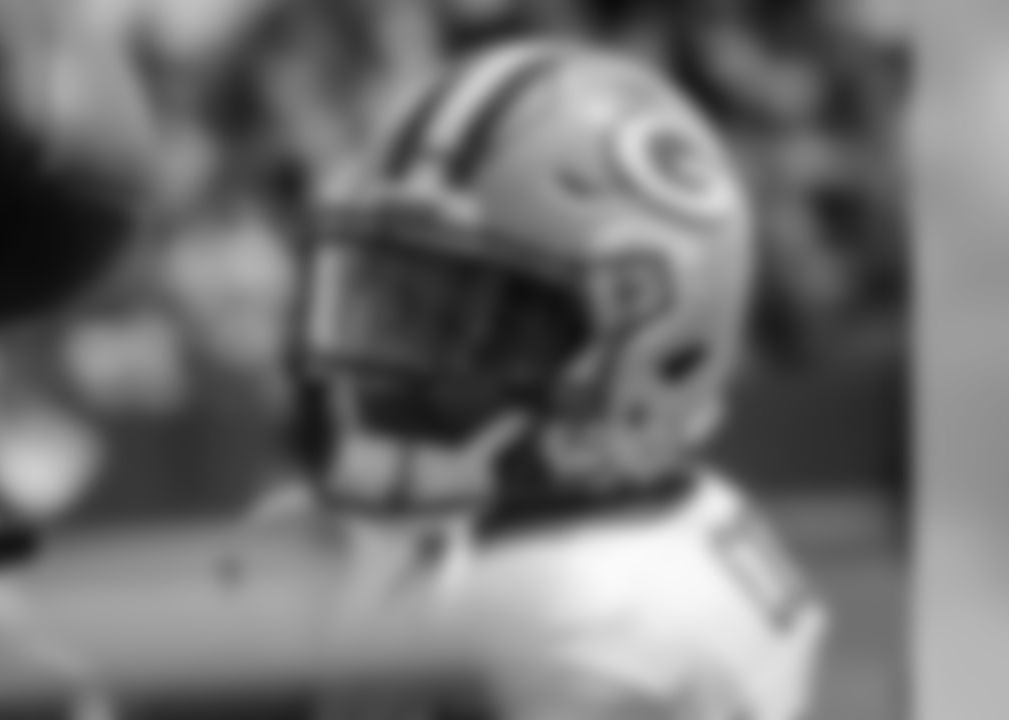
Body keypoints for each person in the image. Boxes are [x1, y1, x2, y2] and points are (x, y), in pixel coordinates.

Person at [282, 38, 831, 720]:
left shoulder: (575, 611)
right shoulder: (680, 523)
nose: (394, 365)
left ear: (652, 349)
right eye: (394, 305)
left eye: (473, 325)